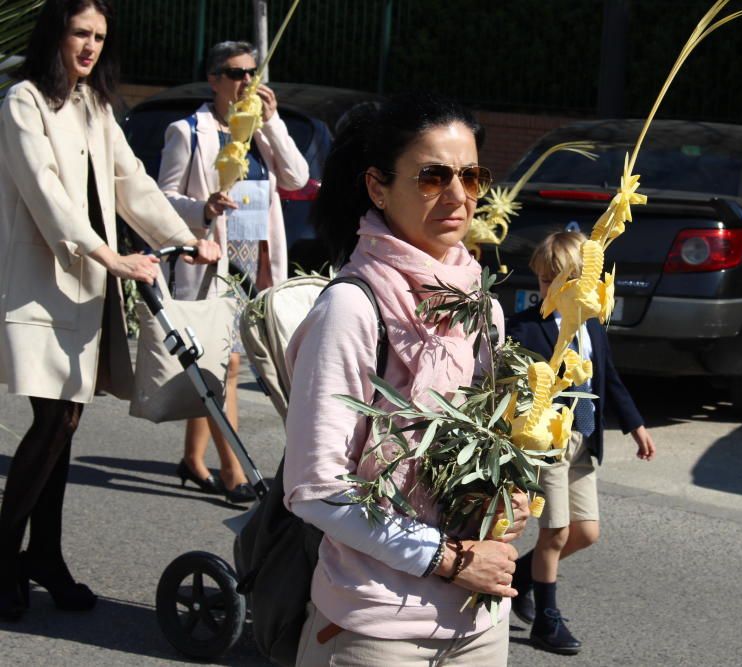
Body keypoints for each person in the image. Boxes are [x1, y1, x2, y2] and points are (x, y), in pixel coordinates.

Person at [284, 93, 529, 666]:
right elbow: (316, 488)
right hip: (376, 629)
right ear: (377, 187)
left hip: (479, 623)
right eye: (431, 177)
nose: (458, 196)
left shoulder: (480, 304)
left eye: (470, 176)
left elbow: (492, 447)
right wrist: (449, 559)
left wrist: (509, 496)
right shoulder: (351, 309)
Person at [0, 0, 221, 622]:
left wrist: (183, 235)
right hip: (42, 284)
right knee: (55, 420)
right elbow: (42, 189)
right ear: (56, 34)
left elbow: (132, 183)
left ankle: (42, 554)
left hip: (89, 287)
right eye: (79, 32)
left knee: (64, 423)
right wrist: (109, 255)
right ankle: (9, 556)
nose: (91, 45)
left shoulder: (94, 105)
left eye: (99, 35)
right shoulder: (23, 101)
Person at [157, 40, 308, 504]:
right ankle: (234, 472)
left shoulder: (259, 130)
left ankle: (192, 459)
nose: (246, 81)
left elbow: (298, 177)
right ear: (214, 79)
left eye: (252, 72)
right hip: (213, 263)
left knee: (212, 364)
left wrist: (274, 121)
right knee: (226, 364)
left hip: (256, 266)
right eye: (235, 72)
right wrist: (202, 206)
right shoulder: (189, 132)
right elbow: (161, 197)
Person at [506, 230, 656, 655]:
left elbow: (609, 379)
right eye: (542, 281)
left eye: (561, 282)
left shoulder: (592, 326)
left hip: (584, 442)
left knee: (586, 532)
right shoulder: (526, 330)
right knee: (554, 532)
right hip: (546, 444)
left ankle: (524, 575)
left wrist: (635, 426)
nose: (549, 290)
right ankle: (546, 623)